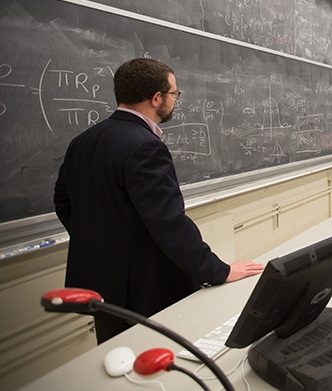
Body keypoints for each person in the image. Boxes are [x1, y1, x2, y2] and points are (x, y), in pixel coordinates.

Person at [54, 58, 265, 344]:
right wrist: (220, 270)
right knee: (156, 359)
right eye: (173, 94)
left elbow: (64, 203)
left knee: (117, 358)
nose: (174, 101)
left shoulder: (83, 141)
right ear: (157, 98)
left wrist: (103, 245)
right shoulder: (144, 146)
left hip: (101, 285)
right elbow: (169, 223)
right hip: (145, 291)